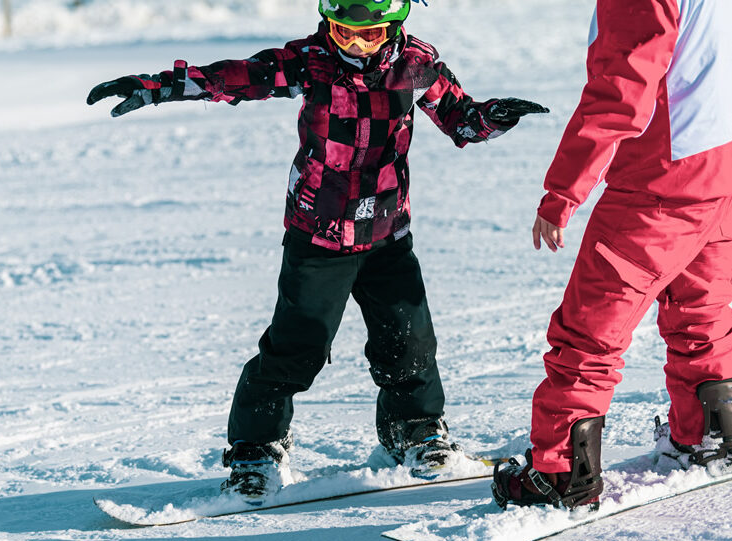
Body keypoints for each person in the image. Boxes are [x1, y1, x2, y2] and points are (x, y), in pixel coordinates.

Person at [88, 0, 548, 500]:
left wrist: (492, 117)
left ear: (394, 28)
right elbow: (235, 78)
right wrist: (155, 87)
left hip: (387, 231)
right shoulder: (311, 61)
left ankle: (415, 433)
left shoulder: (416, 63)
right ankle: (255, 451)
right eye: (343, 33)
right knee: (296, 346)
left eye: (368, 36)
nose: (354, 46)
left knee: (409, 341)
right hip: (318, 234)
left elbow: (460, 119)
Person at [492, 0, 732, 510]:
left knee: (590, 331)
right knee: (702, 316)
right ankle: (713, 434)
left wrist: (563, 192)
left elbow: (620, 93)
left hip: (659, 183)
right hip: (720, 170)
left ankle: (559, 474)